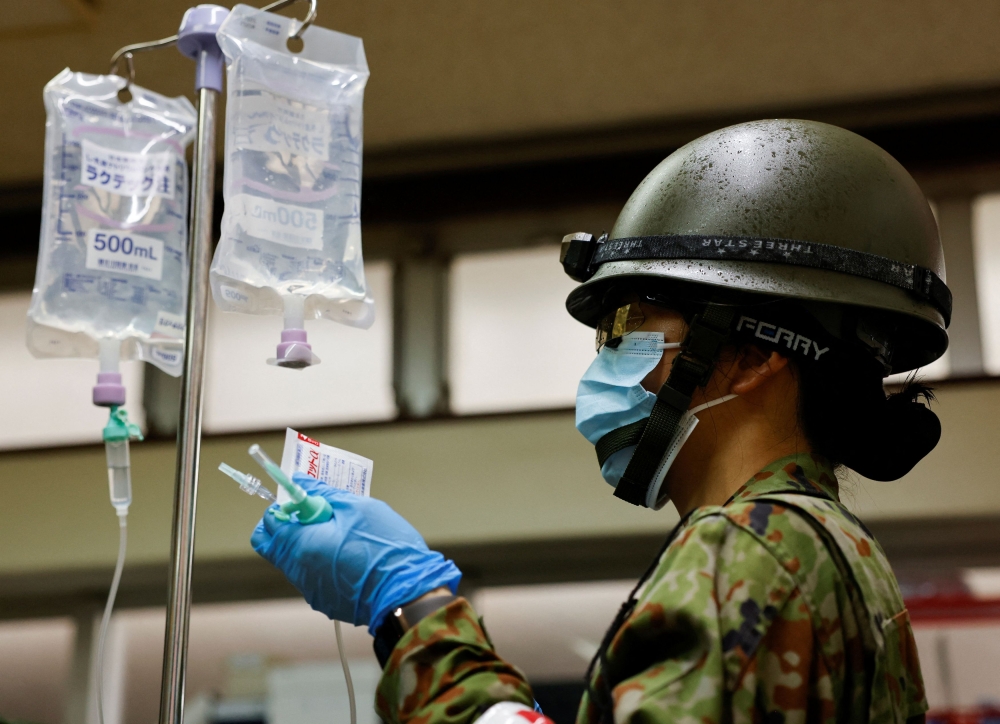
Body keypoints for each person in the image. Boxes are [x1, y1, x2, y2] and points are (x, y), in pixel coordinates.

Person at [251, 119, 947, 724]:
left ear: (750, 355)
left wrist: (409, 604)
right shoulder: (841, 552)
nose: (605, 363)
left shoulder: (743, 549)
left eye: (630, 327)